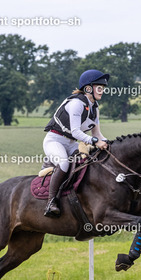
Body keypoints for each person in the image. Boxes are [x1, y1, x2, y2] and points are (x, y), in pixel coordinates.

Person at [42, 69, 110, 217]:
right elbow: (75, 132)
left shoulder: (94, 108)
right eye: (99, 87)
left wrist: (109, 144)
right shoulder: (76, 103)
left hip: (71, 143)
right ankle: (51, 202)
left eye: (103, 88)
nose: (102, 91)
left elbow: (97, 134)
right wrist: (95, 141)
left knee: (90, 161)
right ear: (88, 88)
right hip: (55, 140)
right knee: (64, 163)